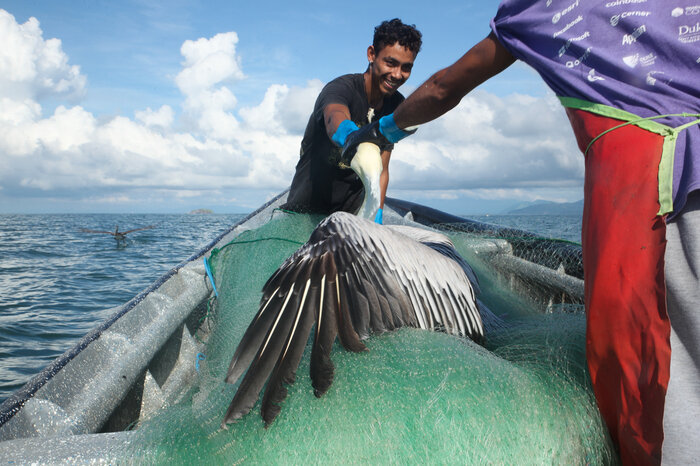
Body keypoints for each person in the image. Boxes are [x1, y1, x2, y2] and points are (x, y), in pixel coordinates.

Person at [342, 2, 700, 465]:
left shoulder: (543, 9)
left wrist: (383, 131)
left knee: (653, 368)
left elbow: (444, 87)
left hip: (654, 188)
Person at [282, 18, 422, 222]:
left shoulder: (396, 106)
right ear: (372, 54)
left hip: (351, 216)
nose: (397, 74)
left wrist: (377, 211)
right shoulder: (341, 89)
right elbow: (333, 116)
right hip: (306, 211)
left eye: (406, 67)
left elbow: (382, 169)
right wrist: (350, 135)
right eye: (390, 63)